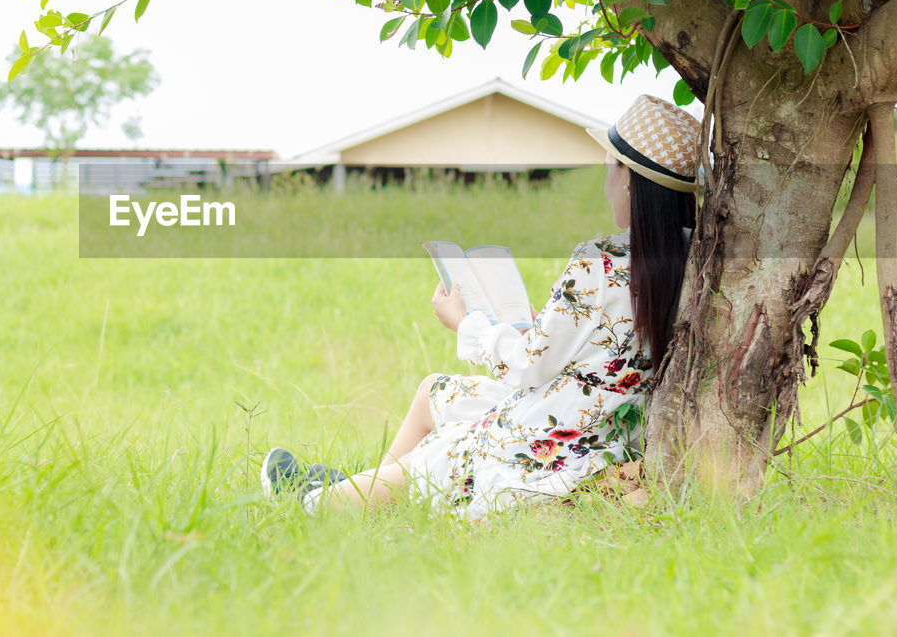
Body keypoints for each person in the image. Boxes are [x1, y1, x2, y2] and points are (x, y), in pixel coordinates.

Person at [261, 94, 700, 519]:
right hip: (608, 430)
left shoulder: (600, 262)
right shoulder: (700, 264)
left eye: (609, 167)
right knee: (436, 390)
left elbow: (529, 365)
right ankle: (365, 484)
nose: (606, 183)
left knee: (446, 451)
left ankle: (318, 505)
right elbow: (607, 350)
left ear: (628, 178)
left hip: (557, 427)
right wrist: (539, 324)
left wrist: (467, 324)